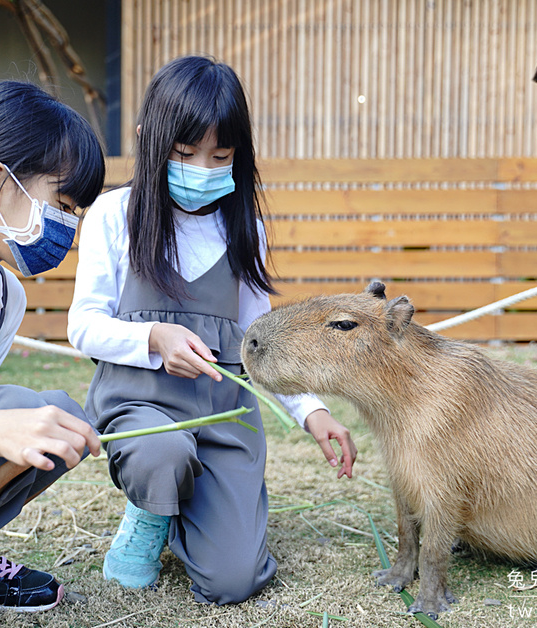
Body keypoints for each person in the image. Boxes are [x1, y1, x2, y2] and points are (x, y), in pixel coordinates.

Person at [67, 56, 356, 605]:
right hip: (141, 406)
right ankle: (153, 506)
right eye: (184, 153)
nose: (202, 167)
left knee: (234, 580)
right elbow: (83, 327)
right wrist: (153, 339)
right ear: (150, 140)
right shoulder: (115, 214)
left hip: (222, 417)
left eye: (219, 155)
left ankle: (195, 503)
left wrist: (312, 411)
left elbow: (259, 341)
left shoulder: (243, 225)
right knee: (163, 454)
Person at [0, 81, 105, 612]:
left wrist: (1, 429)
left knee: (54, 416)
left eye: (76, 214)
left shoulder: (4, 300)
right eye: (62, 204)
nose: (68, 227)